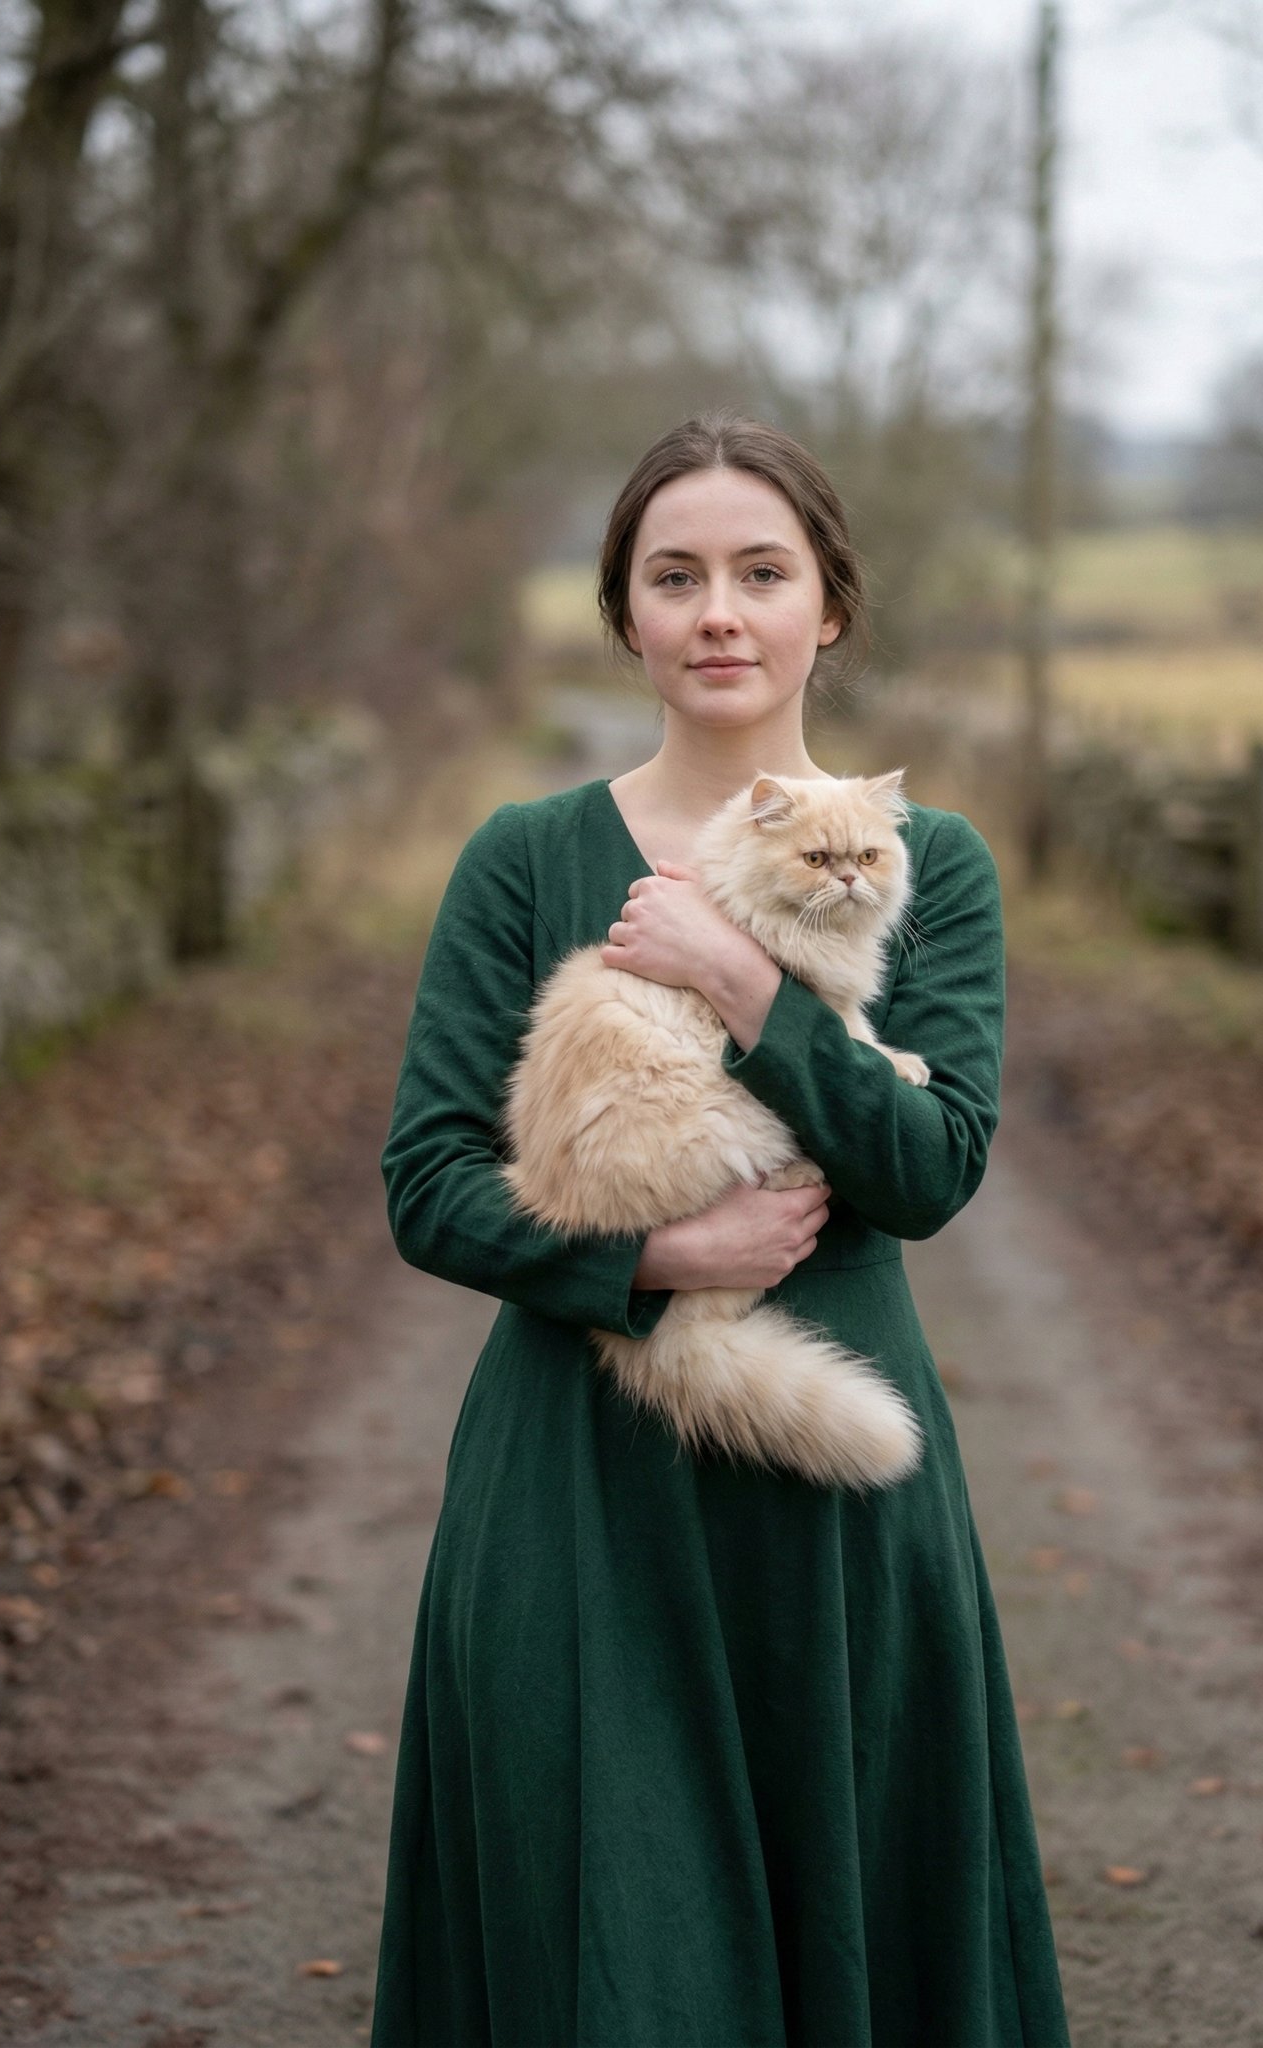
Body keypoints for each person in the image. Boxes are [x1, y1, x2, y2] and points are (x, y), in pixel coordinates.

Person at [369, 410, 1072, 2046]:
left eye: (762, 572)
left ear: (829, 606)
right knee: (616, 1946)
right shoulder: (523, 858)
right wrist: (646, 1262)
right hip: (579, 1485)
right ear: (625, 615)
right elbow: (429, 1180)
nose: (717, 613)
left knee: (855, 1921)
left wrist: (745, 983)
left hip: (835, 1494)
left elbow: (928, 1168)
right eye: (671, 576)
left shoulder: (925, 863)